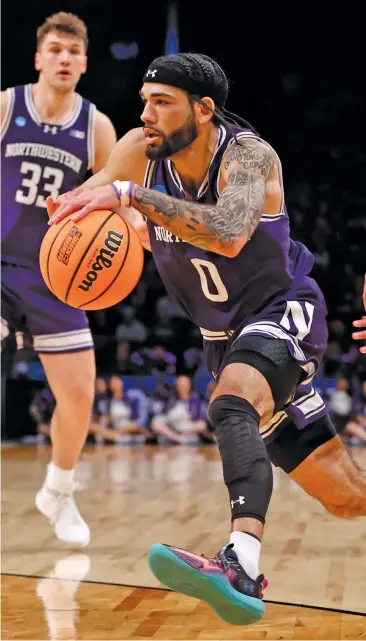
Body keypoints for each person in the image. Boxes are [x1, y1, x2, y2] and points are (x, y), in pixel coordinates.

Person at [48, 53, 366, 624]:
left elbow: (228, 233)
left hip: (281, 310)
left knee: (230, 402)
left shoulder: (247, 156)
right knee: (346, 497)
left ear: (204, 109)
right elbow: (94, 207)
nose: (145, 113)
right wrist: (68, 221)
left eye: (161, 102)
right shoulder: (138, 153)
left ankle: (240, 563)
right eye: (144, 100)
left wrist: (131, 199)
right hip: (221, 335)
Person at [1, 12, 117, 547]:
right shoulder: (6, 106)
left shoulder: (96, 127)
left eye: (74, 51)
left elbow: (112, 202)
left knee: (78, 395)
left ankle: (59, 491)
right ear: (39, 58)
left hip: (56, 275)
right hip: (1, 268)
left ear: (85, 63)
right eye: (56, 49)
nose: (65, 58)